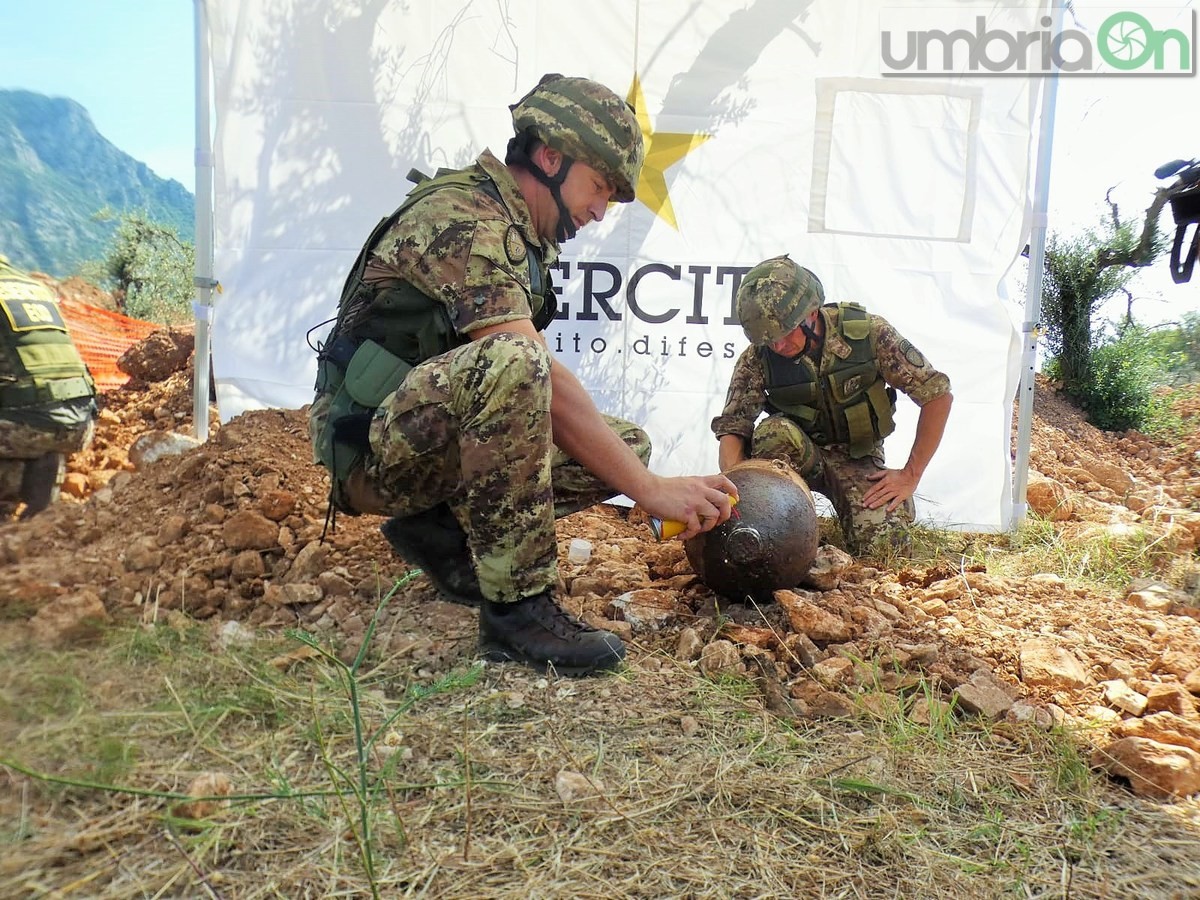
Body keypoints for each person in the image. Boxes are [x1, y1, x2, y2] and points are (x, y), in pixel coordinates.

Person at [309, 74, 737, 676]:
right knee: (518, 366)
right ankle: (517, 611)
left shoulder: (520, 234)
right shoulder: (466, 220)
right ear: (550, 156)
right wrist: (650, 490)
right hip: (368, 447)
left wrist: (640, 473)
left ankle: (440, 531)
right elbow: (528, 370)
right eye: (598, 187)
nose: (600, 210)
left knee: (622, 443)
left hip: (415, 434)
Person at [712, 255, 952, 555]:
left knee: (885, 550)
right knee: (773, 435)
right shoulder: (757, 357)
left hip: (857, 457)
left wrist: (910, 475)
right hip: (792, 460)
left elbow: (937, 396)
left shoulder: (869, 335)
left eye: (785, 334)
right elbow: (734, 427)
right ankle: (787, 520)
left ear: (811, 313)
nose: (778, 347)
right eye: (769, 340)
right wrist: (741, 490)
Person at [0, 257, 98, 519]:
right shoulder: (31, 285)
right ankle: (40, 508)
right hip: (79, 423)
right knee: (38, 412)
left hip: (27, 425)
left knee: (29, 412)